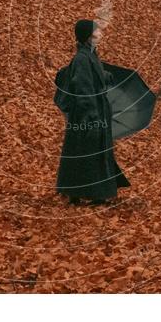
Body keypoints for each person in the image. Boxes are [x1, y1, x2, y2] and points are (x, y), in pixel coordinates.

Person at [56, 19, 130, 205]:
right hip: (87, 115)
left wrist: (106, 76)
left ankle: (79, 192)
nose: (99, 36)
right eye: (95, 33)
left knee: (84, 153)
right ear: (87, 37)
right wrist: (91, 117)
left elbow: (92, 75)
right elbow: (83, 87)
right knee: (87, 154)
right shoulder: (82, 58)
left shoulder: (89, 55)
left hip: (91, 113)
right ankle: (93, 194)